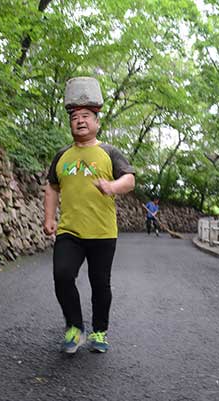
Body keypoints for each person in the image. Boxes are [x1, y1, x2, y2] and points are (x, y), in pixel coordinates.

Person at [44, 77, 135, 354]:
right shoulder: (62, 155)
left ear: (96, 121)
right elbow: (51, 186)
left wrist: (111, 186)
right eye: (74, 117)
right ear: (70, 123)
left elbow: (129, 180)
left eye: (86, 116)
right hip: (70, 230)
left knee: (100, 284)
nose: (80, 121)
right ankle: (74, 327)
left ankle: (99, 332)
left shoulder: (109, 152)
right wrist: (49, 218)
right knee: (62, 275)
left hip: (103, 232)